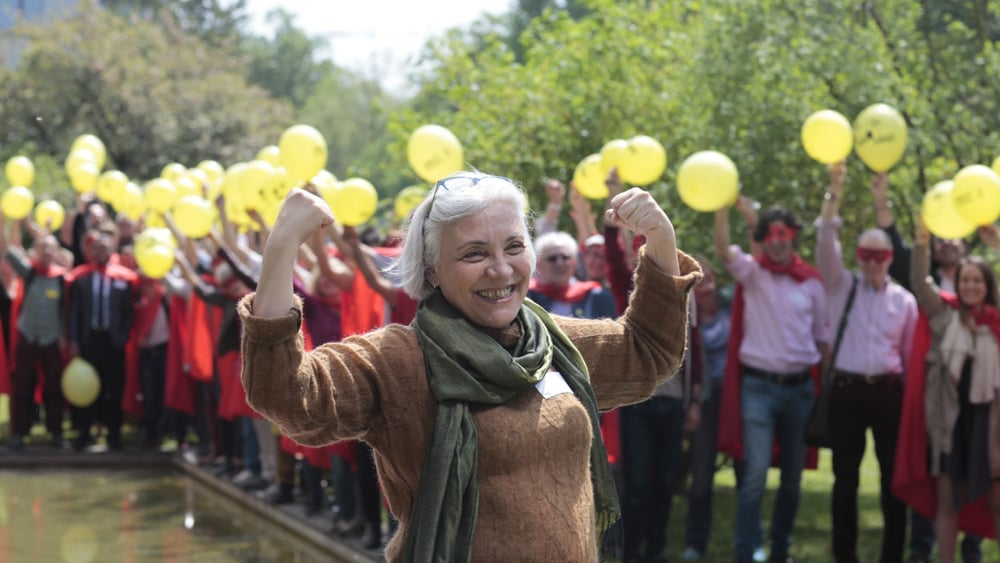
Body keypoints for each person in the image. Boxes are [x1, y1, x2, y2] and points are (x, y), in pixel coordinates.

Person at [239, 172, 700, 562]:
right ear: (432, 271)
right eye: (474, 253)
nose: (500, 270)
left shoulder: (555, 344)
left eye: (513, 246)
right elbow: (286, 396)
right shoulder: (399, 360)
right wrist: (281, 246)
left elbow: (648, 354)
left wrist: (660, 240)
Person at [872, 174, 986, 563]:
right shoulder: (937, 301)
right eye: (941, 239)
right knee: (938, 479)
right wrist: (917, 230)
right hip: (942, 405)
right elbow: (915, 275)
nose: (947, 243)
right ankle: (926, 550)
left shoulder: (989, 307)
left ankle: (972, 548)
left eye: (953, 238)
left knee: (977, 480)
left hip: (981, 408)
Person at [714, 201, 831, 563]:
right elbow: (723, 249)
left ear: (793, 236)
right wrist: (721, 207)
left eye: (784, 233)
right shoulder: (753, 273)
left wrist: (826, 392)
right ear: (763, 239)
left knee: (793, 479)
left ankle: (781, 550)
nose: (778, 241)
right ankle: (747, 551)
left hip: (800, 390)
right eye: (770, 234)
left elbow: (822, 338)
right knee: (755, 475)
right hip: (759, 389)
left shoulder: (812, 282)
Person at [816, 163, 918, 563]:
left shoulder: (904, 301)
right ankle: (845, 556)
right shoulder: (841, 286)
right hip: (848, 390)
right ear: (858, 257)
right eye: (866, 255)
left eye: (880, 255)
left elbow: (909, 357)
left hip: (889, 392)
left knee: (893, 480)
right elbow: (826, 241)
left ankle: (893, 556)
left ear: (890, 257)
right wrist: (834, 190)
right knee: (845, 480)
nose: (873, 262)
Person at [895, 220, 1000, 563]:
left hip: (990, 426)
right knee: (947, 502)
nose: (970, 286)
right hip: (949, 423)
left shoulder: (996, 321)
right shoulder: (944, 315)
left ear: (987, 285)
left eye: (977, 280)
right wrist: (922, 240)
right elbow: (918, 282)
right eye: (965, 280)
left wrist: (997, 243)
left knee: (996, 500)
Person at [66, 225, 138, 451]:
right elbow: (75, 313)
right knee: (87, 386)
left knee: (113, 388)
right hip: (89, 341)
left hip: (113, 341)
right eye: (97, 248)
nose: (101, 252)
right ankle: (84, 435)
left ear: (112, 250)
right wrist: (74, 341)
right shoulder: (81, 278)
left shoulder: (124, 278)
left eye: (105, 248)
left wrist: (124, 335)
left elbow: (129, 312)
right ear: (91, 251)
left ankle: (113, 436)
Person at [0, 216, 68, 449]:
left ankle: (56, 433)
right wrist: (4, 224)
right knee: (22, 386)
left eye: (50, 248)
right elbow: (7, 250)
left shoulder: (62, 278)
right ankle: (19, 434)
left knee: (54, 388)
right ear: (37, 251)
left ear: (56, 252)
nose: (47, 252)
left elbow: (66, 311)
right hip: (28, 337)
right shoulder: (29, 272)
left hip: (51, 339)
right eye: (43, 248)